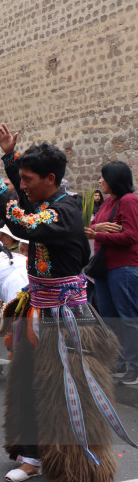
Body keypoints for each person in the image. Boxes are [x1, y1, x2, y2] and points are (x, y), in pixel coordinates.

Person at [0, 123, 133, 482]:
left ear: (51, 178)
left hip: (68, 318)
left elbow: (21, 220)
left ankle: (84, 468)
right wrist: (11, 157)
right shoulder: (48, 203)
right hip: (37, 309)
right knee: (29, 383)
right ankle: (31, 457)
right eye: (19, 178)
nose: (22, 185)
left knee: (72, 392)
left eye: (28, 178)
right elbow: (26, 205)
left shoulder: (65, 212)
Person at [84, 161, 138, 386]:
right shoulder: (109, 203)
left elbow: (131, 236)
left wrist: (99, 234)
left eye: (103, 177)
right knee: (108, 317)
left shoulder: (129, 201)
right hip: (105, 269)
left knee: (128, 317)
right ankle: (119, 360)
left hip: (124, 267)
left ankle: (134, 366)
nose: (99, 181)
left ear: (114, 179)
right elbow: (89, 227)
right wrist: (98, 229)